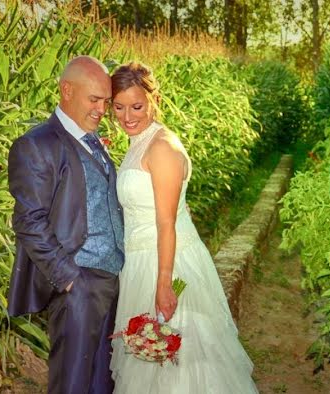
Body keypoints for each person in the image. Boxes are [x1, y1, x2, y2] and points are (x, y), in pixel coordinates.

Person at [108, 61, 257, 393]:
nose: (127, 116)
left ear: (153, 100)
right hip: (140, 261)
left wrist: (163, 284)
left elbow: (166, 221)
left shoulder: (161, 147)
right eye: (118, 107)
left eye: (136, 106)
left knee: (184, 365)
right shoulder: (139, 141)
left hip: (166, 264)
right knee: (149, 364)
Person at [7, 55, 124, 394]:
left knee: (103, 381)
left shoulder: (93, 141)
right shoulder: (36, 144)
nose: (102, 110)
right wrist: (69, 279)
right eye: (94, 100)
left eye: (105, 101)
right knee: (72, 384)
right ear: (66, 90)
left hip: (112, 281)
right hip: (78, 285)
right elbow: (28, 220)